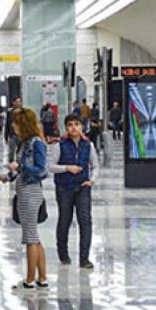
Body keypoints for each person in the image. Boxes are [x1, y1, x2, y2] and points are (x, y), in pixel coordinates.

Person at [1, 108, 49, 290]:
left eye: (16, 122)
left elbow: (41, 170)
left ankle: (29, 281)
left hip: (31, 193)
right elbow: (21, 169)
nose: (13, 125)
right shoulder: (24, 143)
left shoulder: (37, 143)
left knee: (30, 237)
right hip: (23, 191)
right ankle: (42, 278)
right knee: (34, 237)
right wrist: (10, 176)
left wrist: (20, 166)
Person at [50, 114, 99, 269]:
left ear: (82, 126)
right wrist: (67, 168)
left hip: (83, 187)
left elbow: (95, 165)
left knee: (85, 220)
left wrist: (92, 180)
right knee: (65, 220)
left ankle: (84, 258)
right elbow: (50, 166)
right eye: (70, 125)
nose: (73, 128)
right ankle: (63, 253)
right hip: (64, 188)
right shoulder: (60, 145)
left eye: (77, 124)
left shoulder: (88, 145)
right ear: (66, 127)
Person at [5, 96, 23, 163]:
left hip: (21, 135)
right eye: (16, 102)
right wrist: (6, 136)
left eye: (19, 102)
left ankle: (19, 165)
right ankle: (11, 165)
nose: (18, 103)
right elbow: (7, 124)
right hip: (12, 135)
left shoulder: (24, 112)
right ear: (13, 102)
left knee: (20, 152)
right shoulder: (10, 112)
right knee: (11, 152)